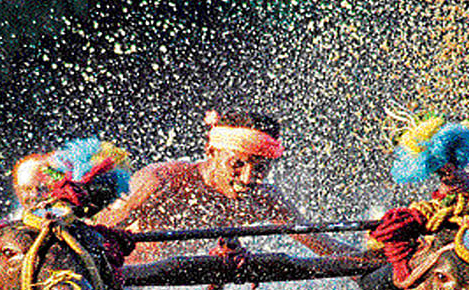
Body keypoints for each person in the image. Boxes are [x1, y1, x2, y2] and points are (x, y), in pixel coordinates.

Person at [91, 109, 353, 261]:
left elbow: (328, 250)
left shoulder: (266, 200)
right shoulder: (161, 182)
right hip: (113, 282)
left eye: (260, 168)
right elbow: (92, 238)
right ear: (211, 151)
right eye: (237, 164)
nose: (249, 179)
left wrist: (386, 255)